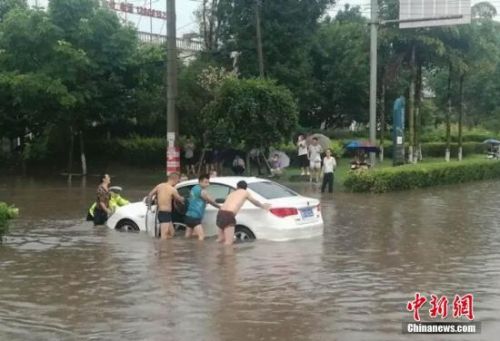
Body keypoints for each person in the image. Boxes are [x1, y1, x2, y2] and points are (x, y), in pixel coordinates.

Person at [216, 181, 270, 245]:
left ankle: (217, 254)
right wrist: (263, 206)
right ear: (246, 188)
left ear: (237, 187)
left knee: (220, 239)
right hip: (229, 215)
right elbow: (255, 202)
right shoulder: (245, 192)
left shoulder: (231, 194)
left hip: (220, 213)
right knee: (229, 243)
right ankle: (227, 255)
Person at [147, 173, 185, 240]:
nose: (177, 183)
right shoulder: (172, 189)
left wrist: (149, 208)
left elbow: (150, 195)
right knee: (164, 236)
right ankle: (162, 248)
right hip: (165, 214)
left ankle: (165, 248)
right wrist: (185, 198)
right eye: (177, 181)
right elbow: (180, 199)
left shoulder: (159, 186)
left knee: (172, 233)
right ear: (175, 179)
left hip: (163, 214)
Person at [184, 174, 221, 241]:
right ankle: (199, 250)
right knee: (201, 236)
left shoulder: (194, 188)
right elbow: (210, 201)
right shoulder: (202, 191)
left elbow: (197, 199)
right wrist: (219, 207)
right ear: (200, 182)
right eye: (206, 182)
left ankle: (187, 249)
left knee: (187, 236)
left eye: (208, 182)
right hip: (195, 216)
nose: (208, 184)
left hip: (188, 215)